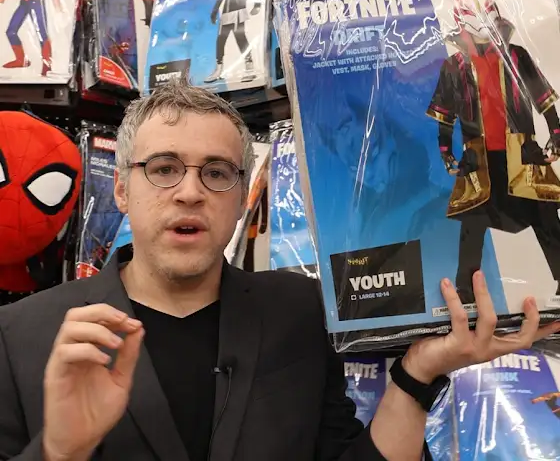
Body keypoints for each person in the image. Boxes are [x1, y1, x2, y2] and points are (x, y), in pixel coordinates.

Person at [0, 81, 559, 461]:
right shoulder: (23, 335)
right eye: (164, 168)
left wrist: (418, 374)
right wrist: (60, 452)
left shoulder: (299, 310)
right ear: (122, 188)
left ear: (243, 194)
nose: (190, 192)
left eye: (217, 172)